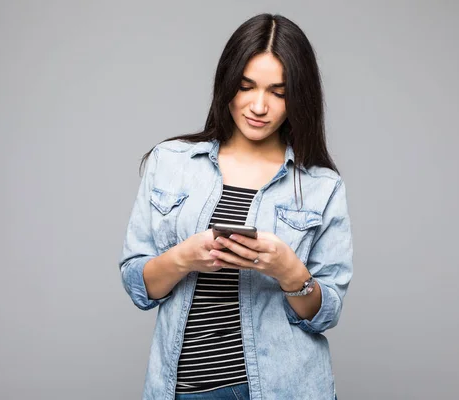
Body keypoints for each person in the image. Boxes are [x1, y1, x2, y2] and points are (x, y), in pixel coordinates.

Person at [119, 13, 353, 400]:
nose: (259, 106)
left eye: (278, 92)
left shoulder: (321, 186)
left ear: (299, 96)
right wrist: (184, 258)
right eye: (246, 87)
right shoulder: (170, 163)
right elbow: (137, 284)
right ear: (227, 84)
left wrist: (289, 271)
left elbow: (325, 313)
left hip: (284, 388)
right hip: (184, 390)